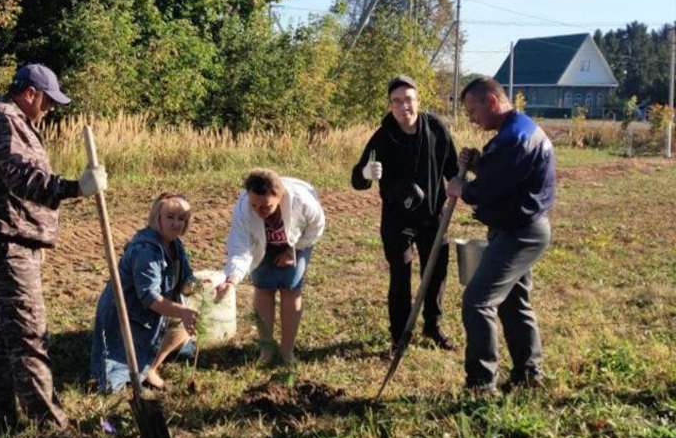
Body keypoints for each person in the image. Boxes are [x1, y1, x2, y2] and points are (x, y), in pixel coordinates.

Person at [0, 63, 107, 437]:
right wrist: (77, 187)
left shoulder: (15, 121)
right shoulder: (3, 119)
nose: (49, 110)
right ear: (31, 93)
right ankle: (53, 431)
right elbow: (22, 178)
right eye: (48, 102)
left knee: (1, 344)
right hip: (5, 250)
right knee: (30, 339)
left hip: (7, 246)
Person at [446, 77, 556, 396]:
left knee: (477, 301)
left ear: (492, 102)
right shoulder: (518, 130)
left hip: (518, 233)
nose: (471, 118)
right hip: (526, 228)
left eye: (472, 110)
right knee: (513, 302)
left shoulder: (514, 139)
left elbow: (488, 190)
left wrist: (462, 188)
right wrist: (481, 164)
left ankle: (481, 384)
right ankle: (528, 375)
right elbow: (507, 177)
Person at [351, 75, 460, 355]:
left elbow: (451, 167)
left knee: (435, 272)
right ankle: (399, 335)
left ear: (418, 101)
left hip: (433, 216)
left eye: (408, 99)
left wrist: (461, 181)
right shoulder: (383, 136)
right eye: (396, 101)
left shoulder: (436, 128)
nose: (403, 107)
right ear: (390, 106)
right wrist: (366, 173)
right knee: (400, 276)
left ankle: (432, 326)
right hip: (397, 221)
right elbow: (357, 178)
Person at [90, 194, 199, 394]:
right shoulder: (147, 251)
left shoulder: (175, 245)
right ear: (157, 218)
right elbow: (149, 298)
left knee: (182, 334)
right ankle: (146, 370)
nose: (176, 223)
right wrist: (182, 312)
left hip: (151, 316)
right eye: (170, 217)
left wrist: (196, 285)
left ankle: (150, 366)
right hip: (127, 315)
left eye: (182, 219)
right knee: (110, 381)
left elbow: (185, 279)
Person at [216, 169, 325, 366]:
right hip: (262, 244)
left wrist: (293, 249)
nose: (259, 211)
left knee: (291, 287)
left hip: (298, 240)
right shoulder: (243, 210)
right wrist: (231, 280)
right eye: (254, 205)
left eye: (266, 207)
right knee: (263, 287)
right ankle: (266, 350)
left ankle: (287, 351)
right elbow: (240, 248)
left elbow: (316, 228)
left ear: (280, 197)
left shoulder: (303, 202)